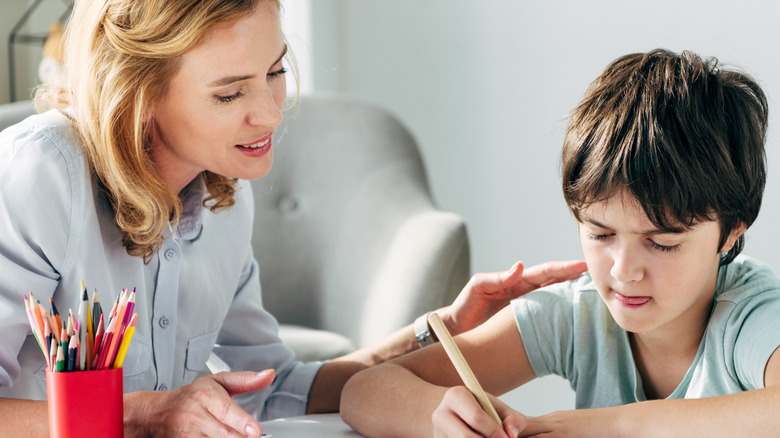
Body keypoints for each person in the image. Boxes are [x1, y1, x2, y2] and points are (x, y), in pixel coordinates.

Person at [0, 0, 589, 436]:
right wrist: (149, 411)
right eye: (230, 95)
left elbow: (273, 387)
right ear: (138, 93)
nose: (269, 113)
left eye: (275, 72)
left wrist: (437, 334)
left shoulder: (224, 198)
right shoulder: (42, 176)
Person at [340, 48, 780, 437]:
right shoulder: (578, 313)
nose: (623, 271)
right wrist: (437, 416)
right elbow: (363, 390)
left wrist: (617, 425)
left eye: (662, 243)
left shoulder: (752, 316)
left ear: (732, 230)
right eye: (600, 234)